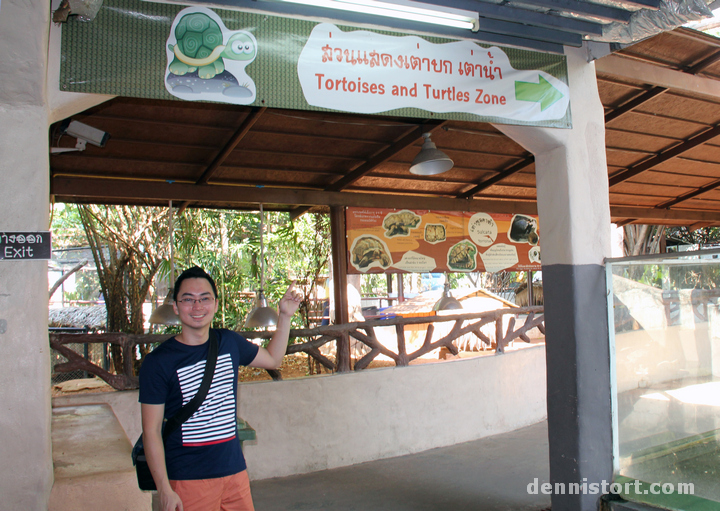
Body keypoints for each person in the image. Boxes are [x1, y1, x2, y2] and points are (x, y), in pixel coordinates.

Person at [139, 266, 302, 511]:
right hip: (188, 478)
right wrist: (164, 489)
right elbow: (151, 431)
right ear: (175, 306)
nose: (197, 307)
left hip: (234, 472)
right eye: (188, 299)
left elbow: (272, 359)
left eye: (205, 299)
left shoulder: (228, 342)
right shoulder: (158, 362)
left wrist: (285, 316)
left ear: (215, 305)